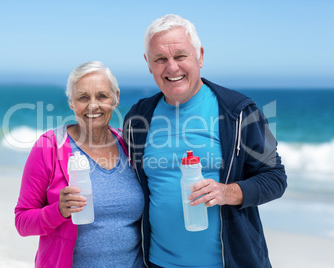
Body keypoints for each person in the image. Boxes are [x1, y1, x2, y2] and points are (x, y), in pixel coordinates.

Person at [123, 14, 287, 268]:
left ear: (199, 55)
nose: (172, 67)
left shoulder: (241, 111)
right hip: (157, 263)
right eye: (160, 59)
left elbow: (275, 177)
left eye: (180, 56)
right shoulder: (137, 117)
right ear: (148, 63)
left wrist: (227, 192)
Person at [15, 61, 145, 268]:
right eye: (83, 97)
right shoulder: (49, 146)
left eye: (102, 96)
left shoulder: (130, 146)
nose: (93, 105)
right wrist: (59, 210)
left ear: (116, 98)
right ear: (71, 102)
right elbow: (22, 222)